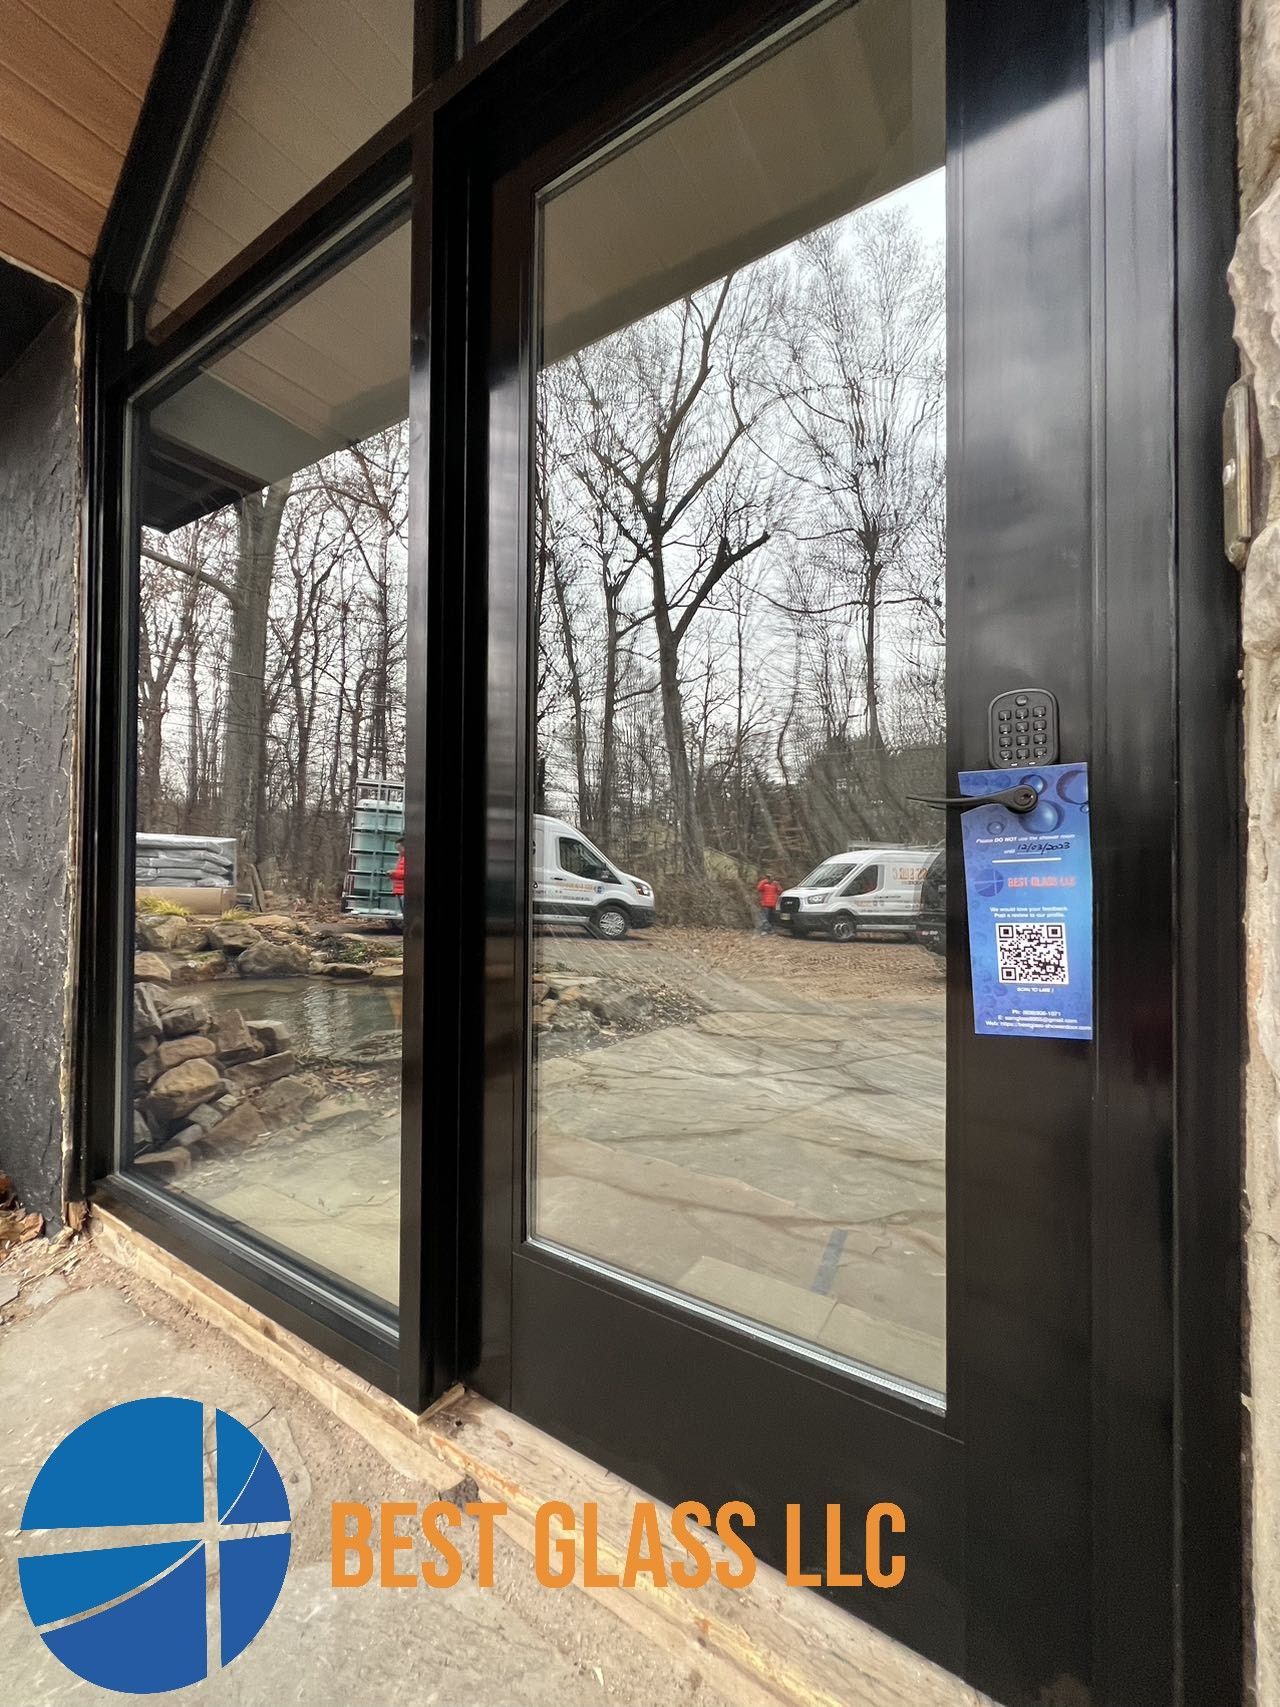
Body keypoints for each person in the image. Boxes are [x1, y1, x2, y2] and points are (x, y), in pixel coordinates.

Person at [390, 837, 406, 918]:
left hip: (404, 891)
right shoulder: (401, 858)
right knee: (404, 914)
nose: (398, 851)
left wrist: (394, 873)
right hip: (400, 890)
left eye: (399, 849)